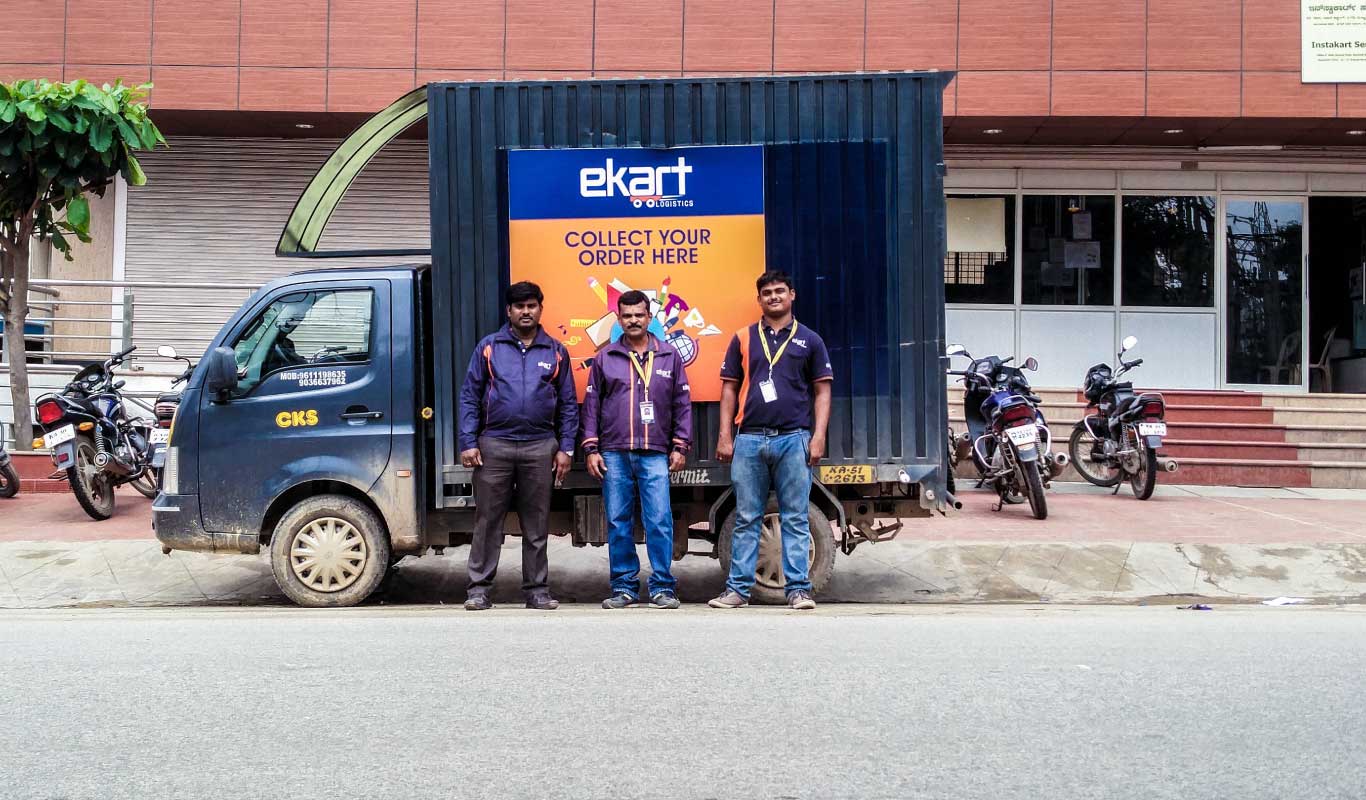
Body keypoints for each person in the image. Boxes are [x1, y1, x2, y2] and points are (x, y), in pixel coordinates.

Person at [709, 271, 832, 611]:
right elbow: (729, 387)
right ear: (759, 299)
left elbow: (823, 390)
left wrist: (818, 436)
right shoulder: (743, 338)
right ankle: (737, 591)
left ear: (792, 294)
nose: (774, 297)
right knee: (747, 517)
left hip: (794, 439)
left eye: (780, 291)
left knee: (795, 517)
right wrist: (725, 435)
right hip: (748, 440)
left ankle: (798, 591)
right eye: (767, 293)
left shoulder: (810, 340)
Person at [458, 281, 578, 611]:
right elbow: (470, 396)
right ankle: (479, 589)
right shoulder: (489, 347)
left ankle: (537, 590)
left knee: (537, 524)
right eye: (519, 306)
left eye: (532, 306)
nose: (526, 311)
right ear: (509, 311)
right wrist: (468, 441)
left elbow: (568, 403)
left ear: (540, 309)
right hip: (494, 444)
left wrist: (566, 447)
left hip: (540, 447)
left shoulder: (555, 350)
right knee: (487, 522)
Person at [582, 290, 692, 610]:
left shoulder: (669, 355)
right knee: (618, 520)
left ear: (649, 318)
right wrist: (591, 447)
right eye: (627, 315)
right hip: (614, 451)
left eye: (639, 314)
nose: (633, 320)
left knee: (659, 519)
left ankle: (662, 587)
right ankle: (624, 587)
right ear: (619, 319)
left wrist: (680, 445)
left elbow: (681, 404)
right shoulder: (606, 357)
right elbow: (592, 405)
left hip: (656, 450)